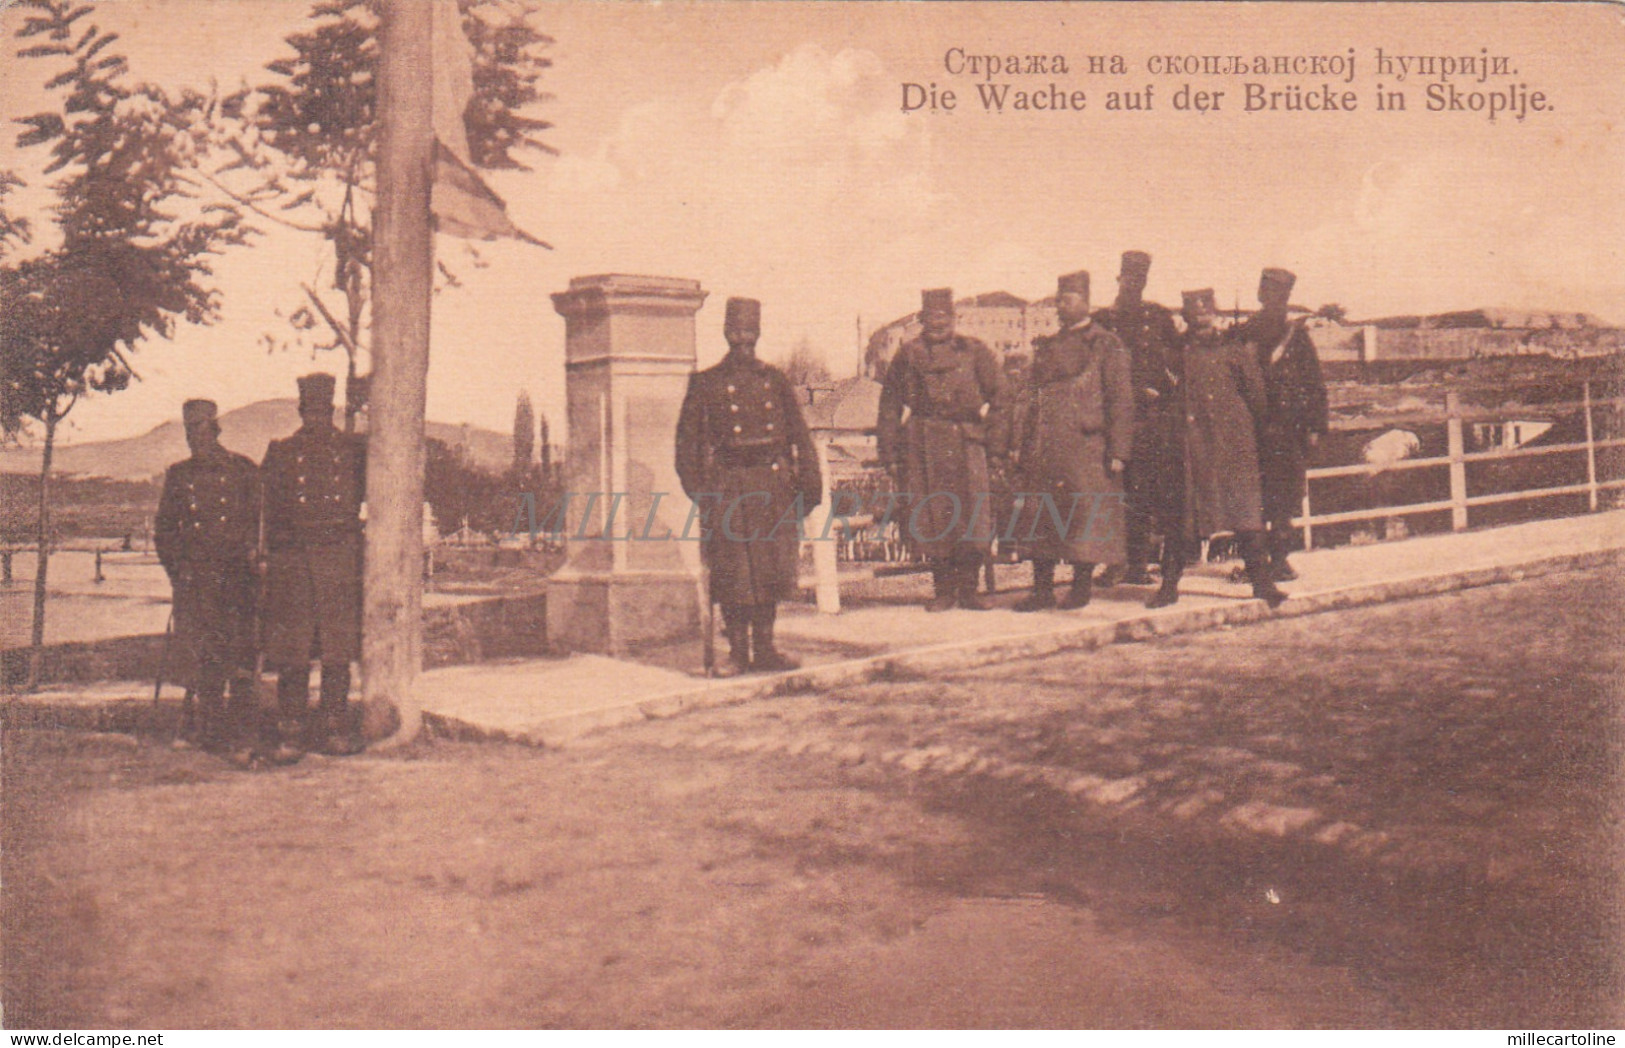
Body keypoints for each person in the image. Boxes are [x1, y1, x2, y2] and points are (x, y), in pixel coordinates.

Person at [676, 297, 821, 675]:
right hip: (729, 488)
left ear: (758, 334)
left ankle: (766, 649)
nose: (743, 340)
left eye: (749, 334)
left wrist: (809, 486)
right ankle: (739, 653)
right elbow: (686, 448)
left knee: (770, 571)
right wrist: (704, 494)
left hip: (772, 488)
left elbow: (800, 437)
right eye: (736, 333)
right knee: (734, 573)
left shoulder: (775, 380)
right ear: (725, 333)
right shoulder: (705, 383)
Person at [1150, 289, 1287, 609]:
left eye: (1206, 310)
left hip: (1232, 446)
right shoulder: (1174, 353)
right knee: (1182, 522)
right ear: (1185, 317)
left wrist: (1248, 434)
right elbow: (1165, 395)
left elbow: (1256, 396)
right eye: (1194, 312)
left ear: (1215, 313)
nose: (1201, 316)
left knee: (1246, 518)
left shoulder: (1234, 350)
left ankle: (1263, 585)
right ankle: (1168, 588)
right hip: (1190, 446)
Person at [876, 288, 1009, 611]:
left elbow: (1002, 398)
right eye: (931, 317)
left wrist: (994, 446)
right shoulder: (908, 355)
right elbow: (890, 405)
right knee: (934, 516)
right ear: (922, 320)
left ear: (954, 318)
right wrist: (890, 453)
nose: (938, 324)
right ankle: (943, 590)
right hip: (923, 444)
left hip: (967, 442)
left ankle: (969, 589)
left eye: (944, 317)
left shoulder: (975, 352)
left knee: (971, 516)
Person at [1012, 270, 1134, 611]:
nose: (1059, 306)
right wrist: (1024, 445)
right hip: (1047, 447)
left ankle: (1081, 588)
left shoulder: (1107, 345)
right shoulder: (1048, 347)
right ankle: (1041, 589)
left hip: (1088, 447)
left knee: (1086, 517)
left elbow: (1121, 399)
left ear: (1086, 302)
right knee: (1042, 516)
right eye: (1058, 300)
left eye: (1067, 300)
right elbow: (1031, 398)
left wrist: (1119, 451)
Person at [260, 373, 366, 759]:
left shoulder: (353, 451)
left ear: (332, 411)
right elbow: (266, 513)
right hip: (296, 561)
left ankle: (335, 728)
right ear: (301, 411)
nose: (317, 419)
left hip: (338, 558)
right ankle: (291, 731)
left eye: (323, 411)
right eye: (310, 412)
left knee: (338, 652)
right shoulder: (282, 453)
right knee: (294, 652)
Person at [154, 399, 261, 759]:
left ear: (215, 430)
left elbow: (259, 522)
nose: (193, 439)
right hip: (197, 581)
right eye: (188, 432)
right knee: (207, 656)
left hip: (237, 579)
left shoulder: (243, 470)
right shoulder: (180, 476)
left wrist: (254, 559)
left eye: (200, 429)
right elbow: (164, 532)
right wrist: (178, 571)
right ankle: (213, 732)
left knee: (241, 655)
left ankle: (244, 730)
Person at [1231, 267, 1329, 580]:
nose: (1276, 300)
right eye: (1271, 293)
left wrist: (1315, 427)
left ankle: (1280, 560)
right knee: (1254, 501)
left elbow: (1315, 384)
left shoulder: (1297, 337)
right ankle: (1257, 563)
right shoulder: (1244, 333)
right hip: (1253, 431)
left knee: (1285, 500)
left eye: (1282, 295)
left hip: (1289, 432)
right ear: (1261, 295)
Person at [1094, 250, 1182, 585]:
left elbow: (1176, 363)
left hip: (1148, 420)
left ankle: (1137, 564)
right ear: (1119, 280)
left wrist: (1162, 392)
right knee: (1112, 493)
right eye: (1128, 279)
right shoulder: (1104, 320)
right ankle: (1114, 562)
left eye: (1140, 280)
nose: (1134, 285)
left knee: (1141, 492)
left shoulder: (1157, 317)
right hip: (1112, 419)